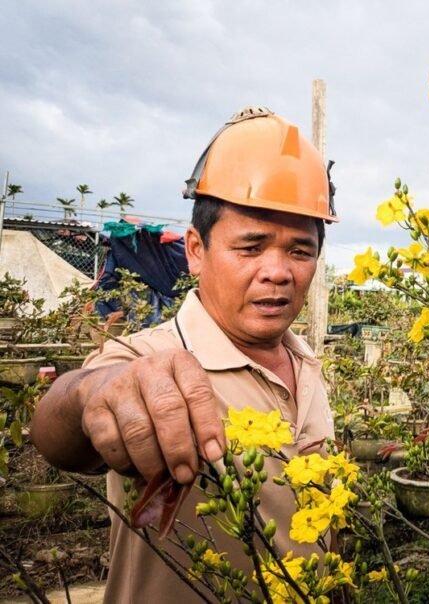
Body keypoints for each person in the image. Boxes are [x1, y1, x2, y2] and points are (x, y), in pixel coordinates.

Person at [32, 106, 338, 602]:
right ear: (196, 250)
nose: (278, 272)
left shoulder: (308, 364)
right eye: (251, 247)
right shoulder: (149, 357)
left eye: (299, 251)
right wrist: (95, 395)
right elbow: (60, 426)